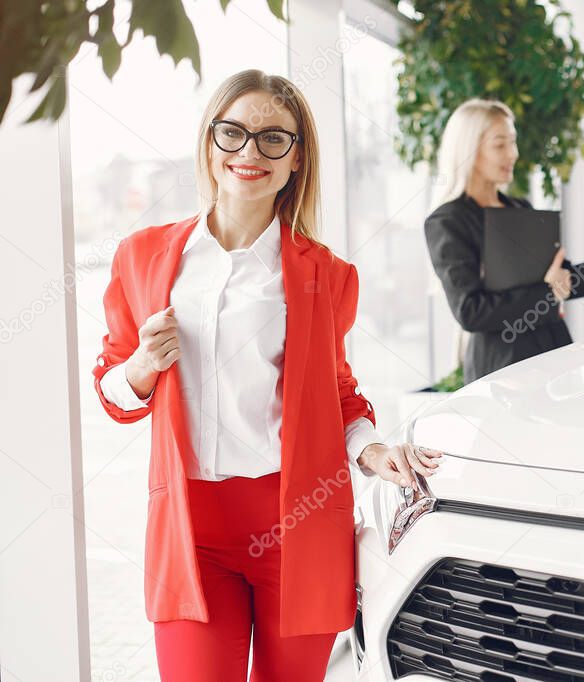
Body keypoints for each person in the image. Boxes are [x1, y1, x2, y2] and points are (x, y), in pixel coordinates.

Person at [92, 69, 441, 682]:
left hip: (298, 527)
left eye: (273, 138)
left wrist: (371, 450)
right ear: (209, 143)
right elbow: (115, 393)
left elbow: (335, 392)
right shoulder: (143, 257)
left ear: (296, 160)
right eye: (233, 133)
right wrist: (143, 366)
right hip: (190, 531)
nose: (249, 152)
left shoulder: (326, 275)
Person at [425, 99, 584, 383]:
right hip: (502, 371)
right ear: (468, 150)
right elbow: (471, 312)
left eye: (513, 142)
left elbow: (566, 279)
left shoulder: (519, 208)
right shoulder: (448, 221)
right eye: (500, 144)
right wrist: (548, 292)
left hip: (554, 354)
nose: (513, 153)